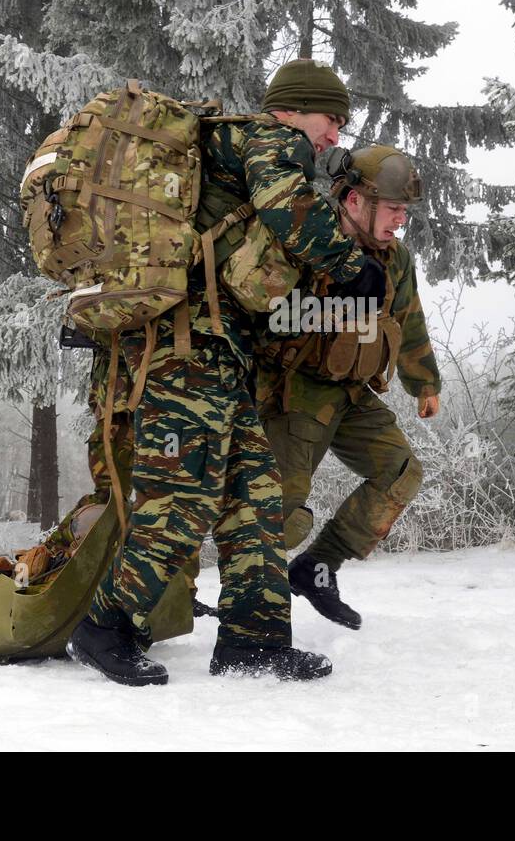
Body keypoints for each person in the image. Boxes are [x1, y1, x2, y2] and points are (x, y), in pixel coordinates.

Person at [66, 59, 388, 685]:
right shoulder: (272, 139)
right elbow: (286, 207)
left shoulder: (226, 148)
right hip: (183, 351)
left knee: (255, 498)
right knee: (182, 498)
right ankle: (104, 627)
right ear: (294, 109)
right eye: (331, 119)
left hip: (217, 351)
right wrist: (354, 267)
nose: (334, 136)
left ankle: (253, 642)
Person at [255, 145, 441, 630]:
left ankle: (317, 569)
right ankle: (242, 612)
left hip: (353, 393)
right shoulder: (311, 241)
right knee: (279, 511)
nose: (402, 219)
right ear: (356, 200)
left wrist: (424, 383)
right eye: (394, 208)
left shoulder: (396, 259)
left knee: (400, 472)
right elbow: (260, 307)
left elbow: (410, 321)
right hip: (296, 392)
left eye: (405, 210)